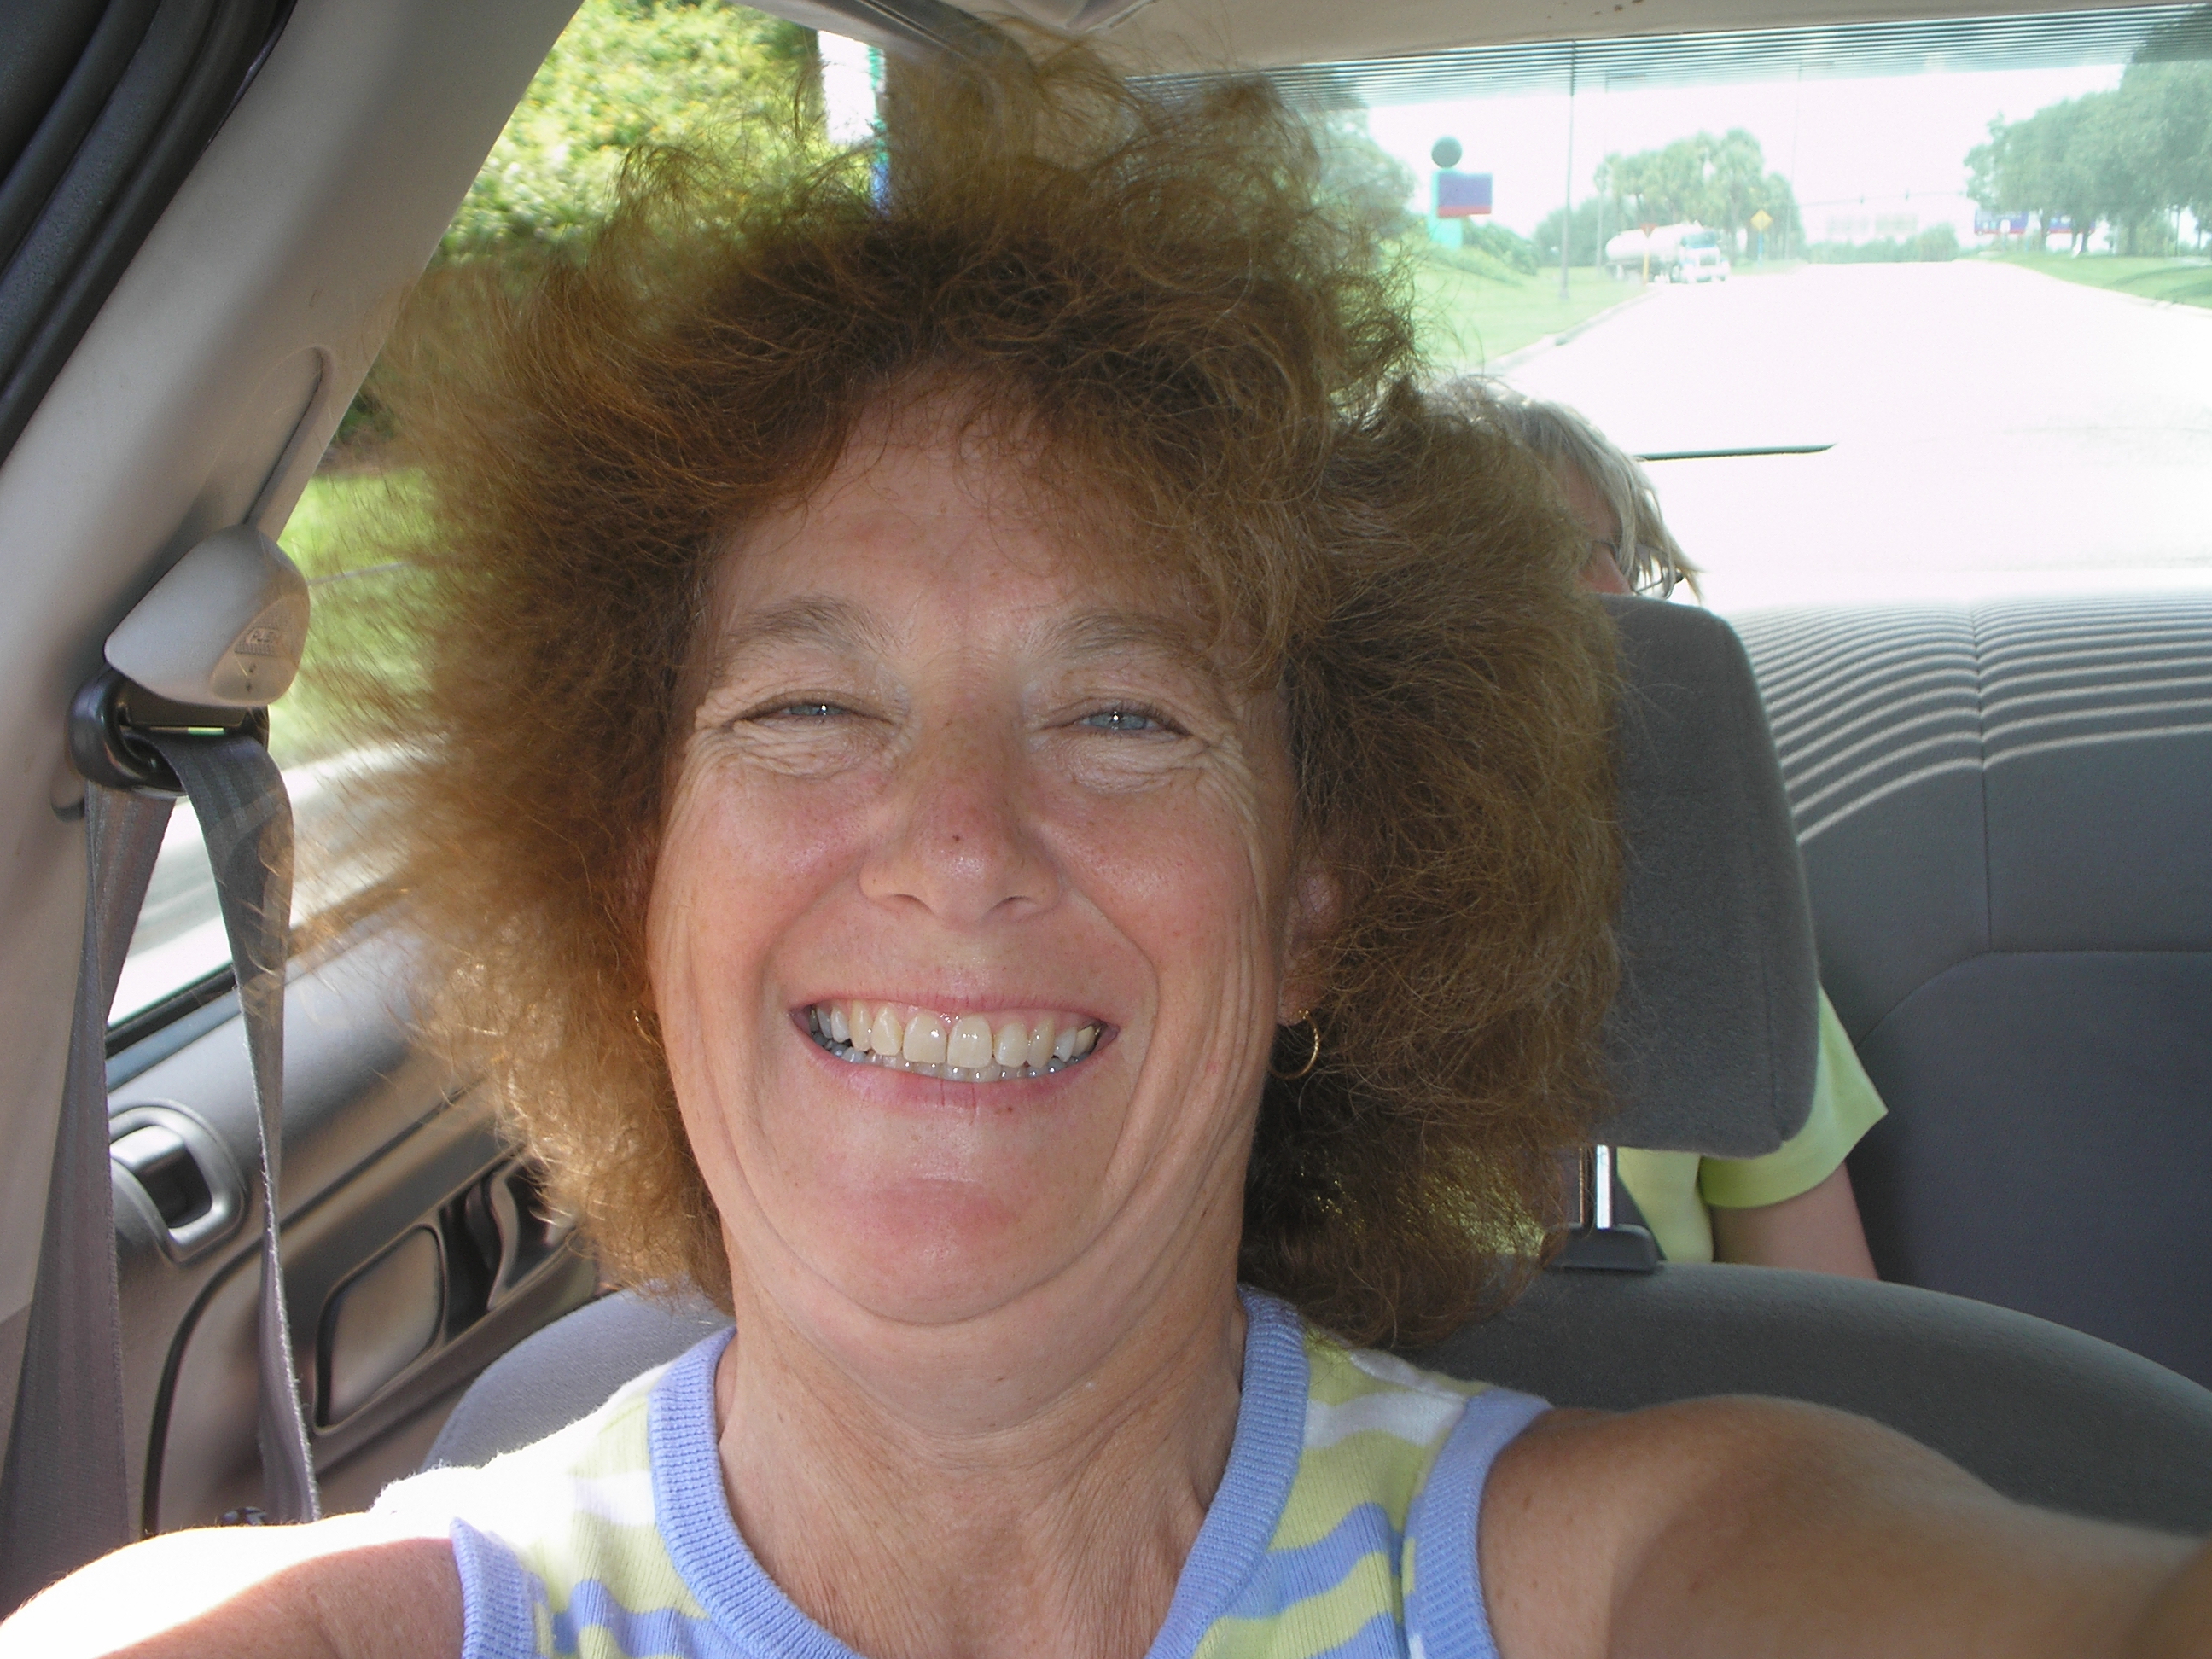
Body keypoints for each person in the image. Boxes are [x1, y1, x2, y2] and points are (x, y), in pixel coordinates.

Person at [6, 43, 2206, 1659]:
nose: (957, 844)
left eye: (1127, 716)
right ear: (627, 865)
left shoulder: (1649, 1559)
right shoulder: (340, 1622)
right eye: (806, 707)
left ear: (1314, 900)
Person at [1478, 387, 1885, 1278]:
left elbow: (1826, 1325)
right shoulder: (1287, 964)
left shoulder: (1726, 951)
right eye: (1546, 551)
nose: (1616, 596)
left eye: (1626, 560)